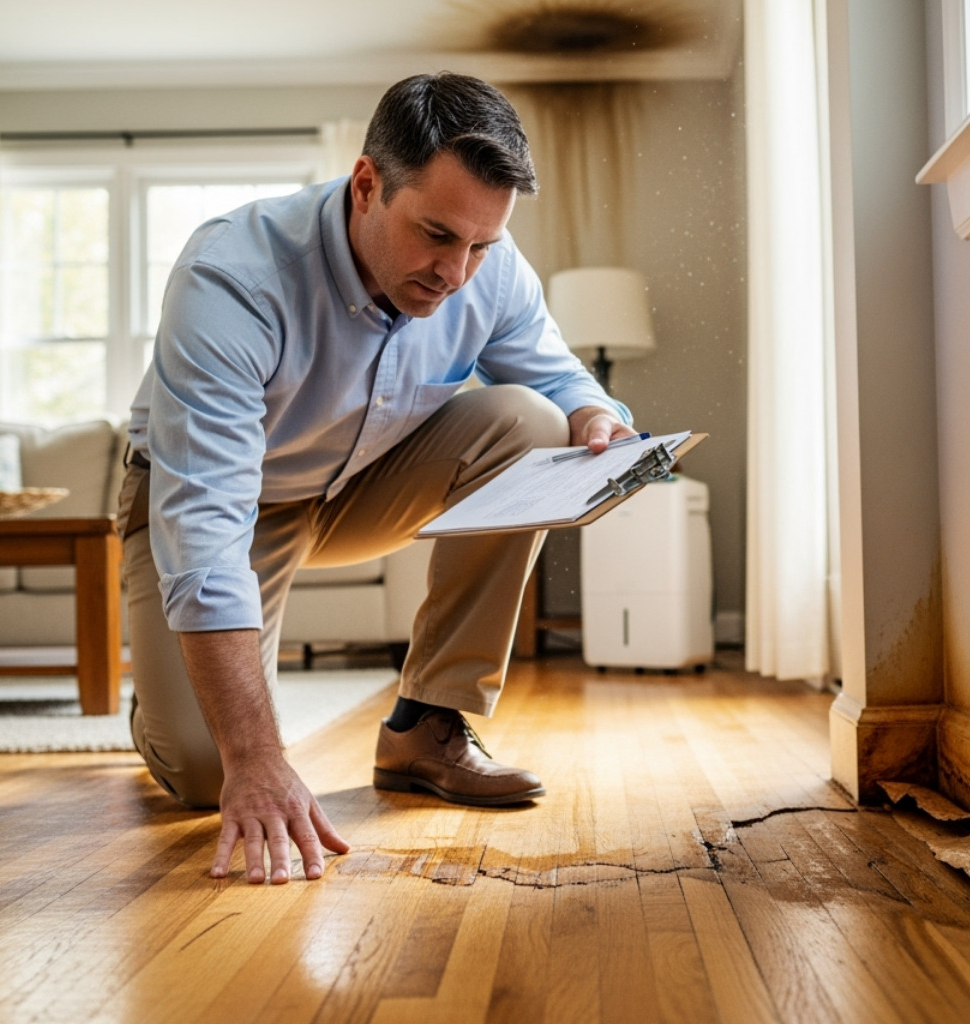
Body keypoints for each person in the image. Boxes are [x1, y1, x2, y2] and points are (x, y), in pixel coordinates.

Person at [118, 72, 633, 886]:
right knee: (210, 775)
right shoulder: (233, 277)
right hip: (226, 507)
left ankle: (426, 723)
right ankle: (156, 702)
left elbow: (561, 380)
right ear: (367, 184)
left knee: (533, 423)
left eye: (480, 246)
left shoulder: (483, 263)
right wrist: (254, 753)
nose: (457, 272)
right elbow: (207, 535)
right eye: (436, 236)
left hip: (358, 484)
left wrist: (596, 420)